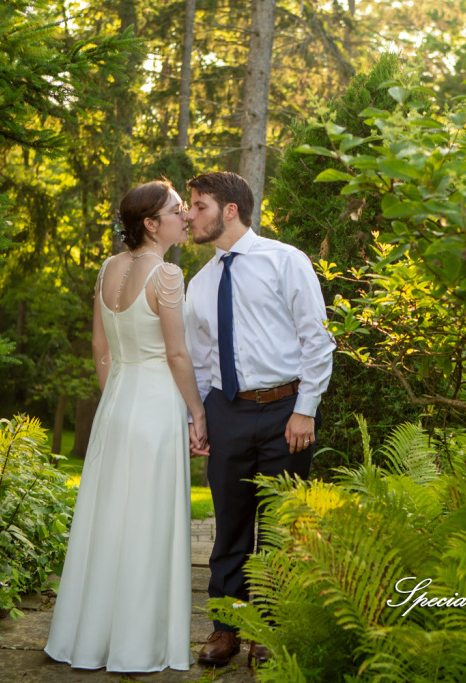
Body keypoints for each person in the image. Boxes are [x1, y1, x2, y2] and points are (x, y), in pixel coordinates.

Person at [44, 180, 206, 673]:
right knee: (148, 522)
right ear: (151, 224)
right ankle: (137, 647)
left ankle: (90, 639)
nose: (185, 217)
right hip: (156, 408)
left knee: (109, 521)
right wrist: (197, 412)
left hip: (116, 404)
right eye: (177, 211)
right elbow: (177, 354)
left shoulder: (108, 269)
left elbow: (101, 350)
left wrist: (116, 393)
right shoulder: (167, 276)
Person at [183, 171, 335, 670]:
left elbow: (316, 339)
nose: (189, 215)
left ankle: (269, 630)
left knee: (279, 529)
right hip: (226, 412)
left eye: (198, 206)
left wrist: (305, 409)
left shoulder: (285, 261)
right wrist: (200, 417)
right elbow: (202, 358)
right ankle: (225, 628)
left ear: (229, 210)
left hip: (283, 414)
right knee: (228, 525)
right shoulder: (200, 283)